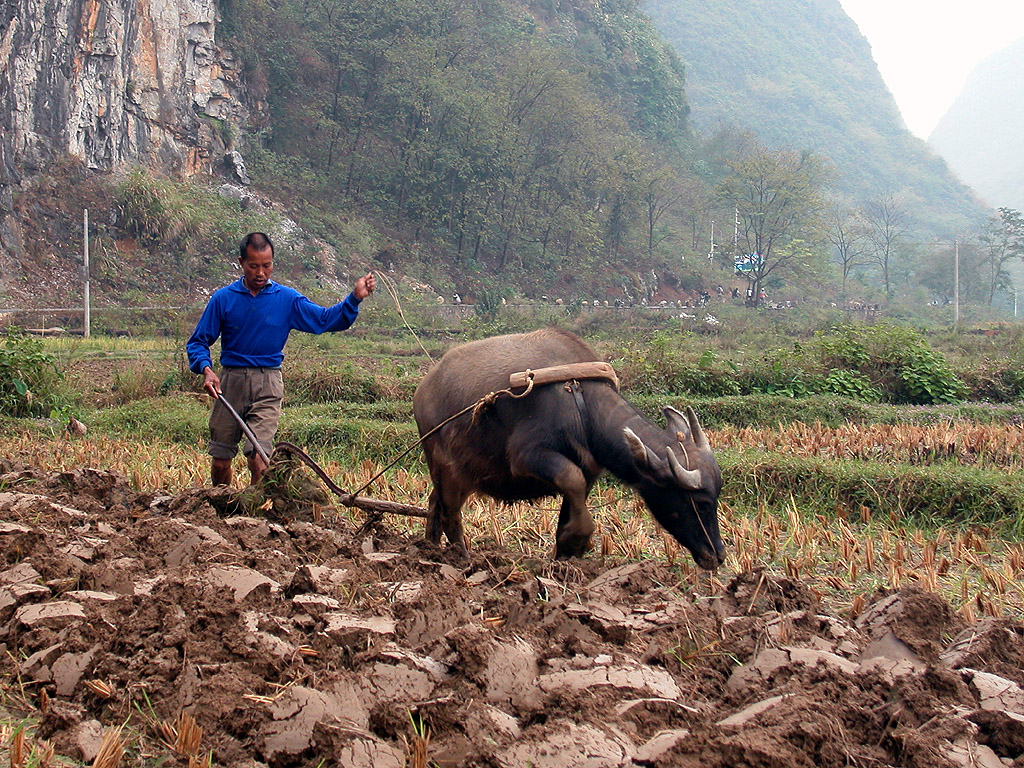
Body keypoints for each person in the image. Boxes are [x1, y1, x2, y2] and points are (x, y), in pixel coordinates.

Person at [186, 232, 376, 486]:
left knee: (260, 457)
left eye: (267, 266)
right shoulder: (223, 299)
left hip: (268, 384)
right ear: (241, 262)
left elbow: (324, 320)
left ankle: (253, 515)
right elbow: (198, 341)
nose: (261, 273)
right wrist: (206, 369)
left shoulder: (287, 299)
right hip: (229, 383)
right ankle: (221, 507)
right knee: (221, 458)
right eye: (254, 266)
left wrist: (354, 299)